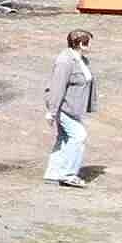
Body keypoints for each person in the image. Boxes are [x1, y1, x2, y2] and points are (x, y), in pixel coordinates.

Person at [43, 26, 96, 187]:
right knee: (79, 136)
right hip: (64, 109)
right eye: (89, 43)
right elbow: (57, 87)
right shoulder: (65, 61)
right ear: (81, 44)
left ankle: (53, 174)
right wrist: (52, 111)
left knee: (64, 138)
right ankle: (68, 174)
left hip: (73, 109)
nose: (91, 46)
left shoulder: (81, 60)